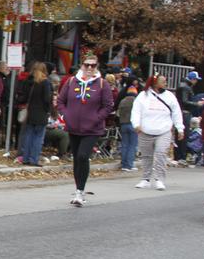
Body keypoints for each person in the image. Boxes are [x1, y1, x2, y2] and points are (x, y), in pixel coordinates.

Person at [56, 53, 113, 206]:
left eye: (92, 65)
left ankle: (81, 190)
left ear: (97, 67)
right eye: (86, 65)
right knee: (76, 159)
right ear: (82, 65)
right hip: (73, 127)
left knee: (82, 156)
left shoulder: (102, 84)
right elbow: (60, 101)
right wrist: (65, 115)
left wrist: (96, 118)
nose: (89, 68)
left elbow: (108, 106)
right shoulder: (71, 82)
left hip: (92, 129)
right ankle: (78, 190)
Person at [131, 74, 184, 191]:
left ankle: (159, 179)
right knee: (146, 156)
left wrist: (180, 128)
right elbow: (136, 111)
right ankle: (145, 179)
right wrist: (136, 124)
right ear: (155, 83)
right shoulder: (143, 96)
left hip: (163, 131)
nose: (166, 84)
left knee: (160, 154)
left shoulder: (170, 96)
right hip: (145, 131)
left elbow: (176, 112)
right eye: (163, 81)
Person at [19, 62, 52, 167]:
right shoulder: (45, 82)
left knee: (28, 135)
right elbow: (47, 99)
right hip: (41, 113)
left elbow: (23, 97)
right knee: (38, 137)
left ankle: (25, 158)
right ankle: (34, 159)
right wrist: (48, 110)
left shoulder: (29, 81)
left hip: (31, 112)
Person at [174, 70, 202, 163]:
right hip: (185, 113)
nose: (196, 82)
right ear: (193, 79)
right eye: (196, 80)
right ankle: (180, 156)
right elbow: (185, 101)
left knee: (180, 133)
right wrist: (196, 104)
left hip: (181, 112)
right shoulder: (185, 87)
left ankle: (178, 155)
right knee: (183, 134)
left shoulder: (182, 86)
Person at [117, 85, 139, 171]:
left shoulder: (122, 101)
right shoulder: (136, 101)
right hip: (133, 125)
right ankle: (129, 165)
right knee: (132, 145)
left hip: (123, 124)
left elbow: (118, 113)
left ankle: (123, 164)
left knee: (125, 145)